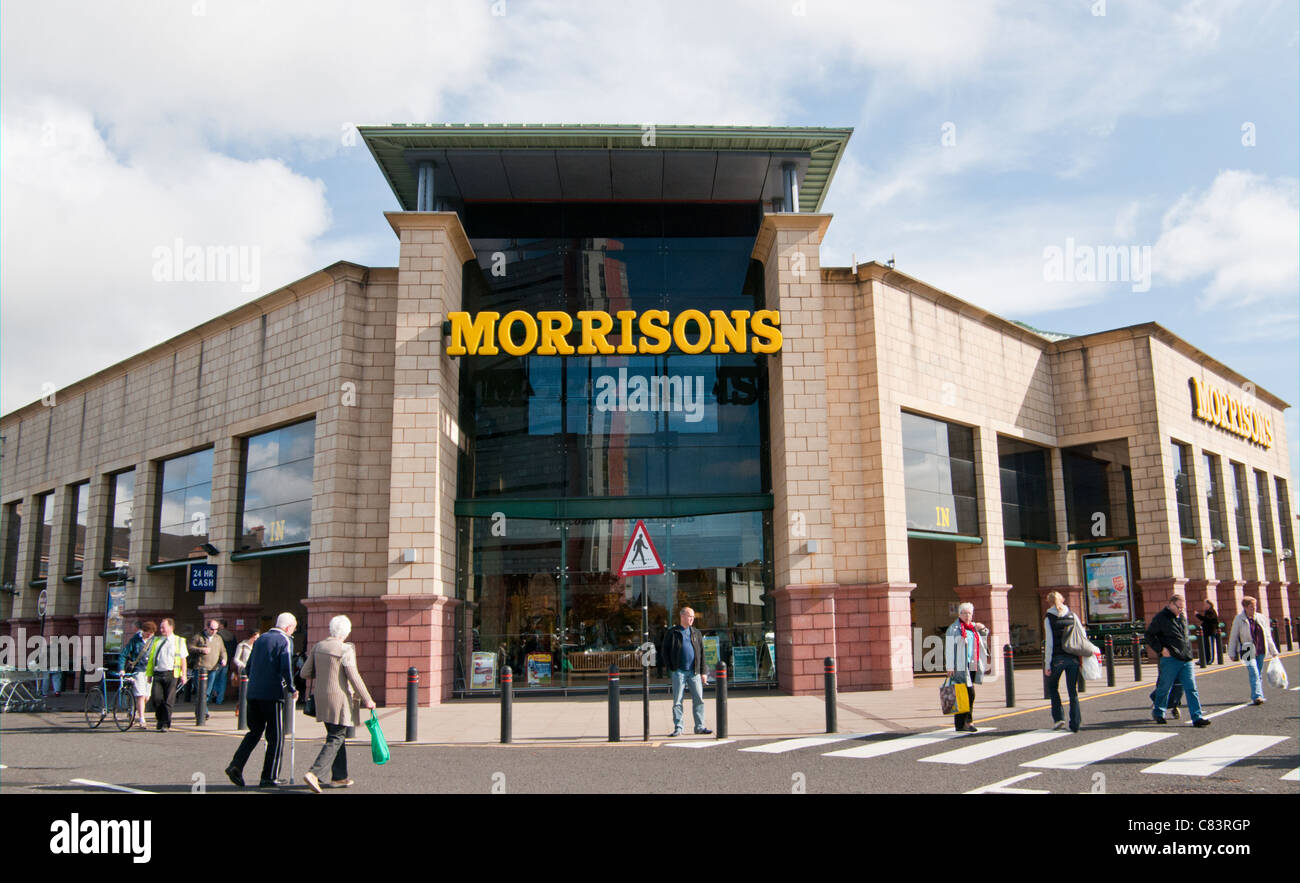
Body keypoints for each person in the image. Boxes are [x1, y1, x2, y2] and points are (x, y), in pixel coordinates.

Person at [300, 615, 376, 793]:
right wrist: (367, 699)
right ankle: (314, 773)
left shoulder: (318, 646)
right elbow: (353, 676)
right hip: (339, 698)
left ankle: (339, 777)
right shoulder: (345, 649)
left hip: (321, 698)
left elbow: (305, 673)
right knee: (336, 737)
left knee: (336, 735)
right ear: (347, 632)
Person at [226, 613, 297, 788]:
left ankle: (236, 764)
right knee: (276, 735)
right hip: (272, 693)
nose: (293, 632)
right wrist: (291, 688)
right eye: (293, 628)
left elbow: (248, 667)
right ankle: (269, 776)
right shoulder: (285, 640)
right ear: (288, 627)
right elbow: (286, 666)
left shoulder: (261, 639)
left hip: (253, 691)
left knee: (254, 731)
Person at [1144, 594, 1211, 727]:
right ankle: (1159, 712)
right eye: (1178, 607)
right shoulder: (1161, 618)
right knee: (1164, 687)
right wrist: (1161, 649)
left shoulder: (1182, 618)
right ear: (1171, 604)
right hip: (1170, 659)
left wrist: (1189, 654)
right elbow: (1149, 635)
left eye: (1182, 608)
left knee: (1191, 688)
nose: (1180, 610)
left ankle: (1197, 717)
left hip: (1186, 658)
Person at [657, 606, 712, 737]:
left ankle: (699, 726)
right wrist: (672, 667)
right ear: (682, 617)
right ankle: (678, 727)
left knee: (699, 700)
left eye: (693, 616)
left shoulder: (696, 633)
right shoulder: (672, 633)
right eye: (689, 616)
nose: (692, 619)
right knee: (677, 701)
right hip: (679, 672)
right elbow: (664, 651)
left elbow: (702, 653)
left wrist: (703, 672)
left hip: (694, 672)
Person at [944, 602, 990, 733]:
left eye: (969, 613)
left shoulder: (973, 628)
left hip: (972, 664)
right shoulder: (953, 629)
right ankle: (968, 722)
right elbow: (949, 649)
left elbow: (984, 637)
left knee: (963, 694)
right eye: (964, 613)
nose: (967, 615)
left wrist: (982, 628)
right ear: (959, 614)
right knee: (968, 693)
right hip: (960, 666)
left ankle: (959, 724)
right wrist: (950, 666)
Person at [1227, 596, 1280, 706]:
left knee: (1258, 672)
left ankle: (1258, 693)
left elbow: (1267, 635)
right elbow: (1233, 636)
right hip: (1246, 648)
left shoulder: (1261, 618)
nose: (1254, 608)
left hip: (1260, 647)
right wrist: (1231, 653)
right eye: (1251, 607)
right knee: (1253, 672)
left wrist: (1273, 650)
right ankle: (1257, 696)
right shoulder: (1239, 619)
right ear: (1245, 607)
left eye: (1255, 606)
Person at [1042, 592, 1083, 733]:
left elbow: (1049, 643)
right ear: (1062, 600)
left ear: (1049, 602)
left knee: (1053, 687)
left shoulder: (1049, 618)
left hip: (1058, 658)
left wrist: (1047, 664)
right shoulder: (1072, 615)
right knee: (1073, 691)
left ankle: (1059, 718)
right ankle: (1075, 722)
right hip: (1073, 657)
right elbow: (1082, 635)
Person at [145, 618, 188, 731]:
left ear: (171, 627)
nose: (161, 629)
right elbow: (151, 659)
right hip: (158, 673)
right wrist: (149, 675)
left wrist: (183, 675)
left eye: (163, 627)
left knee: (169, 700)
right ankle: (160, 718)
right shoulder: (156, 641)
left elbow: (183, 659)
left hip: (172, 674)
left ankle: (164, 723)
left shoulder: (179, 641)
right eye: (161, 627)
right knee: (156, 698)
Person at [120, 621, 156, 727]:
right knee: (141, 695)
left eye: (151, 633)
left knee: (147, 697)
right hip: (138, 670)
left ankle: (134, 709)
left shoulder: (154, 641)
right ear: (143, 631)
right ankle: (142, 719)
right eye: (147, 633)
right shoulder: (135, 640)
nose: (149, 635)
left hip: (149, 671)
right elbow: (124, 654)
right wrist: (121, 669)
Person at [191, 620, 228, 716]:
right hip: (200, 668)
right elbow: (190, 647)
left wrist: (224, 659)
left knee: (207, 692)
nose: (214, 631)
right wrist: (201, 649)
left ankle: (200, 710)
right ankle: (204, 711)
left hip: (213, 668)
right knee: (201, 691)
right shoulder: (198, 637)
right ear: (206, 627)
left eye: (216, 629)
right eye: (212, 629)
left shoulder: (218, 638)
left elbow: (223, 651)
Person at [1195, 600, 1220, 665]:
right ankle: (1204, 659)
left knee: (1209, 646)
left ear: (1209, 604)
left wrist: (1198, 615)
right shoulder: (1208, 612)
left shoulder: (1211, 612)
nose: (1204, 606)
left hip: (1210, 632)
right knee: (1205, 646)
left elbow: (1207, 619)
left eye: (1205, 604)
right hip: (1206, 632)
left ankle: (1210, 659)